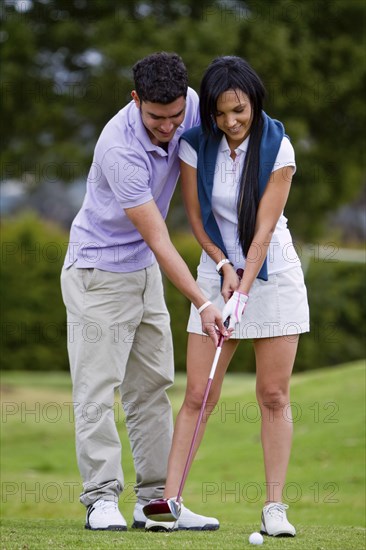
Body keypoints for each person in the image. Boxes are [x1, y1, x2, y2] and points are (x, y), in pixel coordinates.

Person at [60, 52, 227, 532]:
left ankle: (156, 501)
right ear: (136, 101)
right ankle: (100, 499)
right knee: (97, 388)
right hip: (97, 271)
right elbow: (158, 236)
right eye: (157, 118)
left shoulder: (191, 106)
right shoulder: (119, 148)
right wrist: (204, 299)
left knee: (152, 388)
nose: (170, 127)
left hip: (144, 271)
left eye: (176, 116)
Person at [152, 56, 310, 536]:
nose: (230, 121)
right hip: (214, 272)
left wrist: (245, 283)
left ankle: (275, 509)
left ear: (254, 103)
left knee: (273, 394)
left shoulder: (277, 146)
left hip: (272, 275)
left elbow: (263, 231)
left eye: (238, 110)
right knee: (200, 393)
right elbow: (196, 220)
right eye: (220, 113)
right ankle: (170, 502)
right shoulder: (196, 144)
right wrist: (223, 268)